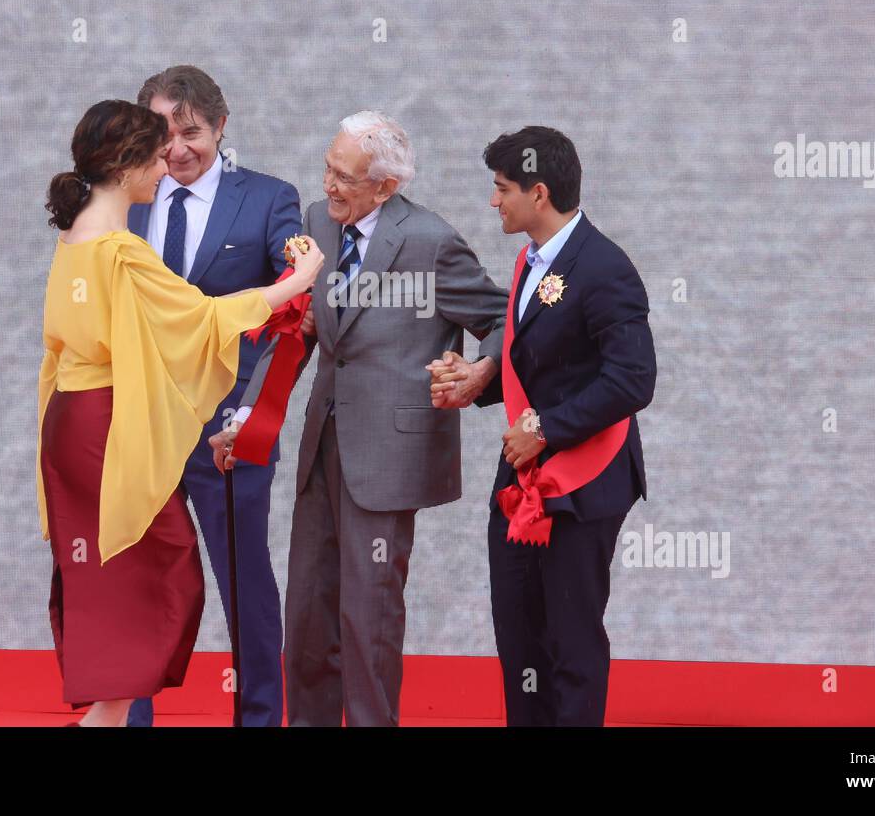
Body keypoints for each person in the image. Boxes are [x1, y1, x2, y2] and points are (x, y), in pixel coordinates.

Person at [210, 111, 508, 726]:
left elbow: (505, 320)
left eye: (345, 177)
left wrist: (480, 373)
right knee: (310, 615)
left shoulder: (431, 241)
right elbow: (297, 333)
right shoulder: (319, 224)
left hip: (390, 456)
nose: (329, 186)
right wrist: (248, 417)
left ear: (386, 187)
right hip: (324, 447)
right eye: (327, 168)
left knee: (367, 618)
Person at [37, 99, 322, 727]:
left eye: (186, 137)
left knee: (126, 572)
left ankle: (107, 714)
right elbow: (200, 318)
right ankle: (108, 716)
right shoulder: (120, 250)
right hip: (117, 425)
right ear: (131, 164)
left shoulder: (74, 239)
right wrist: (297, 280)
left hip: (78, 420)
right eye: (159, 152)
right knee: (157, 573)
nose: (170, 161)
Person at [432, 125, 655, 726]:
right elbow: (536, 357)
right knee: (520, 638)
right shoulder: (532, 259)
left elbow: (633, 380)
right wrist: (481, 377)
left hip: (584, 486)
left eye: (501, 189)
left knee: (571, 643)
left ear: (539, 192)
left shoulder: (605, 267)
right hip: (522, 481)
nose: (492, 201)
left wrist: (549, 429)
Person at [124, 66, 301, 728]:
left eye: (191, 132)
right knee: (138, 586)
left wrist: (255, 413)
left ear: (221, 126)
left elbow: (294, 304)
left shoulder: (267, 199)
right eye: (161, 133)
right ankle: (130, 719)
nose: (175, 149)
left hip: (227, 434)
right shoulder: (127, 201)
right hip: (140, 431)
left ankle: (258, 718)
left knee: (244, 581)